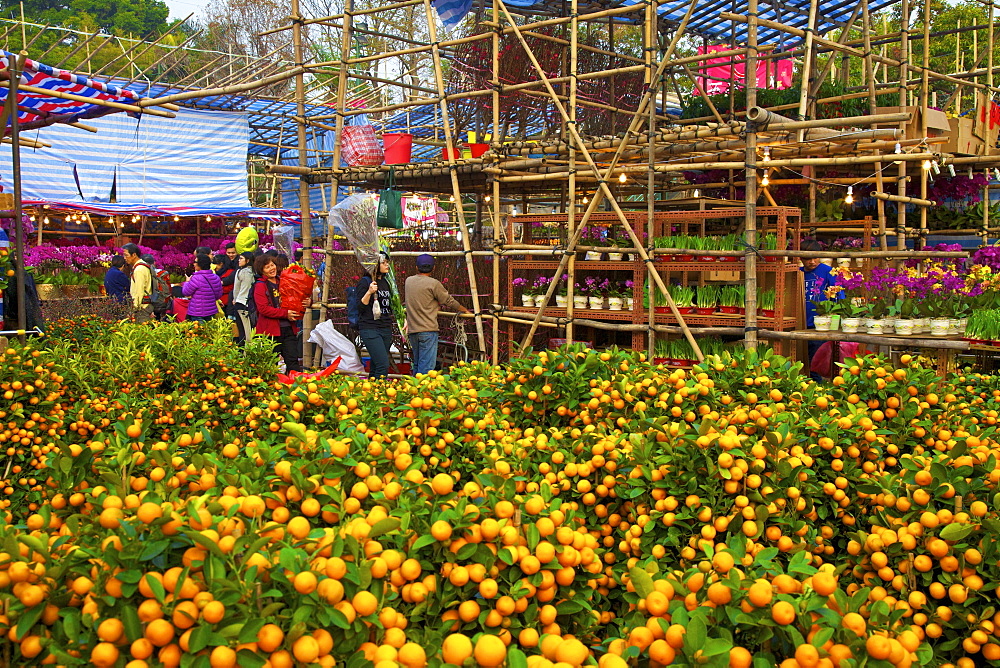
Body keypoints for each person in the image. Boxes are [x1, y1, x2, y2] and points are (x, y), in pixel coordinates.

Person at [404, 253, 470, 375]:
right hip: (428, 330)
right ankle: (423, 392)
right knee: (427, 367)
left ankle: (414, 390)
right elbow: (448, 300)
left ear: (416, 267)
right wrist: (464, 309)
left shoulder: (409, 281)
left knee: (417, 363)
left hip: (413, 330)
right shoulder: (433, 283)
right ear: (433, 268)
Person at [252, 254, 305, 373]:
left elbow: (295, 298)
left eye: (272, 265)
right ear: (261, 270)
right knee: (271, 364)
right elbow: (263, 309)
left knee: (292, 360)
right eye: (267, 267)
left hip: (288, 328)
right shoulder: (260, 286)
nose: (271, 268)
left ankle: (295, 387)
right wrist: (285, 314)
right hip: (270, 331)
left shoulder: (283, 281)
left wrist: (307, 302)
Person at [354, 252, 395, 379]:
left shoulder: (386, 283)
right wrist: (369, 292)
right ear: (375, 265)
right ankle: (380, 391)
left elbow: (390, 305)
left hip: (385, 327)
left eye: (387, 262)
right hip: (370, 328)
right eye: (384, 262)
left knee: (376, 364)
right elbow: (360, 307)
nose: (387, 265)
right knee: (383, 364)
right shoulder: (365, 282)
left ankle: (371, 390)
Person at [801, 239, 837, 379]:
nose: (812, 262)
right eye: (807, 259)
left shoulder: (828, 272)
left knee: (815, 363)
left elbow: (837, 297)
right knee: (803, 359)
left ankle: (817, 390)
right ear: (801, 259)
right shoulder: (798, 273)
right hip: (802, 323)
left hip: (820, 324)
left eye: (815, 258)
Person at [182, 254, 223, 323]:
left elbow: (186, 292)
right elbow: (218, 295)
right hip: (211, 311)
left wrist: (187, 282)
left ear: (199, 264)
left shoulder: (196, 278)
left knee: (199, 332)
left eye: (195, 262)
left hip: (197, 312)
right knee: (210, 332)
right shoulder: (216, 277)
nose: (194, 264)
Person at [122, 243, 152, 322]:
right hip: (145, 305)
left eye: (126, 255)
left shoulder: (139, 270)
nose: (124, 258)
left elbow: (139, 291)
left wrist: (134, 309)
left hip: (142, 307)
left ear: (134, 255)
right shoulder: (142, 266)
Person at [231, 252, 255, 344]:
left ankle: (244, 352)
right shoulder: (254, 272)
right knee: (248, 330)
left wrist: (235, 299)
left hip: (241, 302)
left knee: (243, 331)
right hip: (249, 303)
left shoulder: (240, 272)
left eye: (241, 258)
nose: (239, 260)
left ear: (247, 260)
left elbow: (236, 288)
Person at [142, 254, 172, 321]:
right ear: (154, 263)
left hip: (149, 304)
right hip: (163, 303)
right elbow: (169, 289)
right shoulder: (164, 273)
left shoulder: (143, 274)